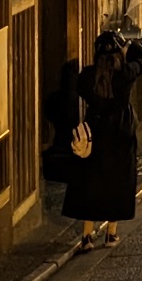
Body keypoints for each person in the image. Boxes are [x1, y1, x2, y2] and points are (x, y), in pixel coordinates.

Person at [63, 32, 139, 249]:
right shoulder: (125, 74)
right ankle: (110, 233)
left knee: (91, 182)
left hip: (94, 132)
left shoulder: (87, 76)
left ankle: (87, 236)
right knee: (117, 182)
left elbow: (77, 88)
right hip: (121, 133)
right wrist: (128, 44)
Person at [41, 58, 81, 217]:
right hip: (77, 148)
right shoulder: (81, 98)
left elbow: (49, 113)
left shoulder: (55, 98)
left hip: (58, 143)